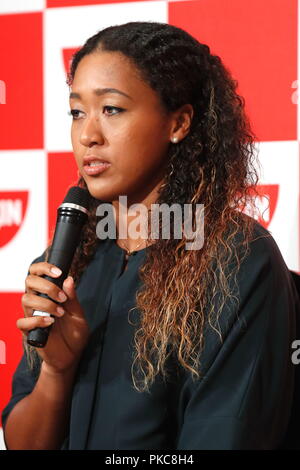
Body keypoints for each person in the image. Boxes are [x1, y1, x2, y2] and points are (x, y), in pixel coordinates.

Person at [1, 21, 299, 450]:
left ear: (178, 123)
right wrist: (56, 372)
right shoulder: (68, 258)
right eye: (77, 112)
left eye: (112, 109)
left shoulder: (237, 258)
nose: (88, 135)